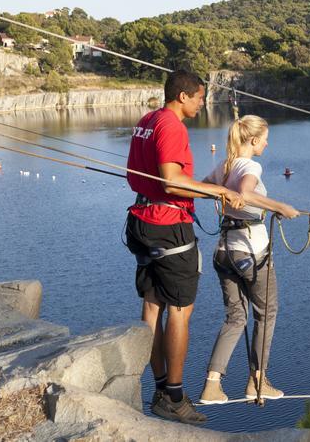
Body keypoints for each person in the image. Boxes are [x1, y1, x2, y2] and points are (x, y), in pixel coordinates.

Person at [125, 70, 245, 425]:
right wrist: (220, 191)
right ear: (182, 96)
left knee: (152, 307)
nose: (200, 103)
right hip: (169, 226)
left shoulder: (146, 120)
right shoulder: (172, 126)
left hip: (141, 218)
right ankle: (174, 396)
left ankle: (160, 388)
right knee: (180, 310)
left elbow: (144, 175)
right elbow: (173, 182)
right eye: (198, 97)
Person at [198, 115, 300, 405]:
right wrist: (280, 206)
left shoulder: (224, 166)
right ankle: (258, 380)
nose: (267, 143)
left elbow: (202, 189)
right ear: (253, 140)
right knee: (266, 313)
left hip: (224, 252)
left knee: (236, 317)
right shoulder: (250, 165)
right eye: (265, 138)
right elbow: (245, 192)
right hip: (250, 251)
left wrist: (223, 193)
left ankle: (211, 386)